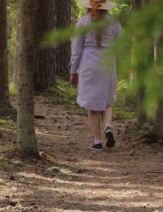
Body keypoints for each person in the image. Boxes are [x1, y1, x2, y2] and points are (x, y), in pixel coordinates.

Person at [70, 0, 122, 151]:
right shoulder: (114, 22)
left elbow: (76, 50)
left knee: (92, 104)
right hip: (108, 61)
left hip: (89, 63)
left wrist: (73, 71)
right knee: (107, 100)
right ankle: (108, 126)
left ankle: (97, 141)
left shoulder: (83, 22)